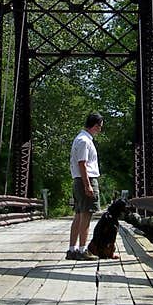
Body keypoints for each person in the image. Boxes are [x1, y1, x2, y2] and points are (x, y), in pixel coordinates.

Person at [66, 112, 103, 261]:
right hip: (85, 180)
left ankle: (72, 250)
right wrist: (88, 185)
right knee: (86, 215)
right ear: (95, 126)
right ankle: (82, 250)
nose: (100, 130)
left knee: (79, 215)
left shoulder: (81, 139)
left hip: (79, 180)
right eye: (100, 127)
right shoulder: (84, 141)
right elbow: (82, 164)